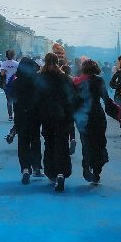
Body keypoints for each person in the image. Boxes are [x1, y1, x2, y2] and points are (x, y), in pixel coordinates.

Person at [73, 58, 116, 186]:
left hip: (83, 117)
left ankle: (86, 167)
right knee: (99, 143)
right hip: (97, 115)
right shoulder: (99, 80)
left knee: (86, 144)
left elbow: (74, 100)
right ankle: (96, 172)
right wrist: (116, 112)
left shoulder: (78, 81)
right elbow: (106, 98)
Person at [36, 52, 75, 192]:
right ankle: (61, 172)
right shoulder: (65, 78)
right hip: (62, 115)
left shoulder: (39, 77)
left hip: (46, 115)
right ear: (58, 62)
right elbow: (71, 98)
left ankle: (51, 172)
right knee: (62, 144)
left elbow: (36, 98)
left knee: (49, 143)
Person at [6, 54, 43, 183]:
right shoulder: (37, 80)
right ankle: (37, 166)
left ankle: (25, 168)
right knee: (35, 139)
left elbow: (9, 95)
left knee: (23, 141)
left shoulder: (16, 80)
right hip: (35, 113)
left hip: (20, 113)